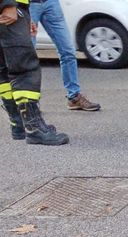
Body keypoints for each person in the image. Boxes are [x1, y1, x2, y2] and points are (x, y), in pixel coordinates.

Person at [1, 0, 69, 144]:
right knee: (24, 69)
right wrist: (8, 5)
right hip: (9, 8)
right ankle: (34, 128)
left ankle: (19, 124)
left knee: (4, 69)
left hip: (12, 8)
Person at [30, 0, 99, 111]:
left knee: (68, 51)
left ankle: (74, 97)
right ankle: (30, 102)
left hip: (50, 3)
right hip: (28, 5)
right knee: (28, 56)